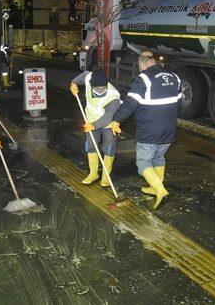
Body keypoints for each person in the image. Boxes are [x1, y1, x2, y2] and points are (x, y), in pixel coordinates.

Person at [112, 50, 181, 209]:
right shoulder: (173, 77)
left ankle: (160, 190)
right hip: (169, 129)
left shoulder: (143, 78)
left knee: (143, 161)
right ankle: (154, 186)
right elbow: (178, 101)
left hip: (150, 130)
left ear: (141, 63)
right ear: (154, 61)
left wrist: (116, 119)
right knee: (158, 157)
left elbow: (130, 104)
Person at [70, 69, 121, 186]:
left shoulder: (113, 96)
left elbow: (108, 117)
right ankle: (93, 173)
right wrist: (73, 83)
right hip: (90, 120)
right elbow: (83, 75)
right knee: (91, 146)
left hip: (108, 125)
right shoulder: (89, 78)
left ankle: (106, 177)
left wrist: (93, 126)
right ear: (92, 84)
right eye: (97, 88)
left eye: (102, 87)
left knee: (109, 148)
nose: (100, 90)